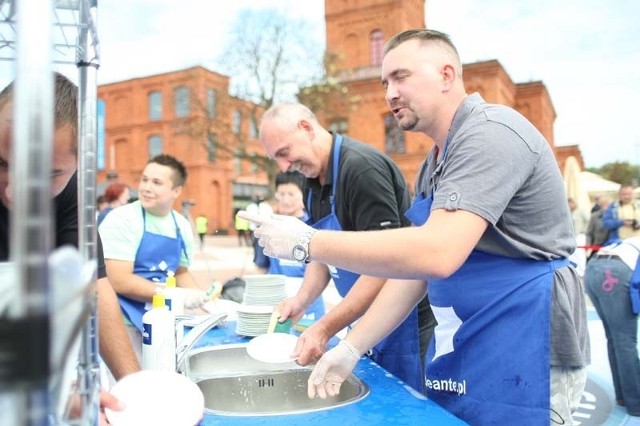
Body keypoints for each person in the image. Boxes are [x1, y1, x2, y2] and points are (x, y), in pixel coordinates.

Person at [242, 29, 590, 425]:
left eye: (401, 76)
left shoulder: (491, 132)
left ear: (446, 75)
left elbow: (437, 253)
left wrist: (308, 242)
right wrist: (352, 347)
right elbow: (413, 273)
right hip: (469, 338)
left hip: (527, 339)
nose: (389, 92)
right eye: (385, 82)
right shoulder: (434, 163)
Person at [257, 102, 428, 394]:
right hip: (360, 319)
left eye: (284, 153)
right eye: (277, 159)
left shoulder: (361, 169)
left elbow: (384, 265)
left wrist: (324, 328)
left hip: (402, 323)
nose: (284, 167)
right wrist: (300, 301)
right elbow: (319, 253)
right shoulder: (311, 180)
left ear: (307, 129)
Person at [0, 73, 139, 423]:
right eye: (2, 165)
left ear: (80, 163)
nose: (15, 192)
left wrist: (136, 391)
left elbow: (93, 285)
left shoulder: (74, 195)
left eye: (47, 175)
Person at [99, 154, 208, 359]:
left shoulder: (181, 225)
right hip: (124, 324)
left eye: (157, 182)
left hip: (165, 322)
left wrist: (203, 298)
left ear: (176, 191)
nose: (146, 187)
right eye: (144, 179)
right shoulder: (121, 219)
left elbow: (181, 271)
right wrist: (173, 293)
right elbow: (118, 279)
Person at [584, 237, 640, 416]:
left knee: (615, 337)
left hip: (593, 269)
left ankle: (623, 396)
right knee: (625, 340)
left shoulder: (632, 240)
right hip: (615, 273)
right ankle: (636, 403)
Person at [267, 171, 324, 320]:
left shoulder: (315, 227)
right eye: (281, 194)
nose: (285, 200)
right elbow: (261, 266)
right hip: (274, 298)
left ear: (303, 195)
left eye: (291, 194)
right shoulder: (269, 227)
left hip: (308, 303)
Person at [245, 195, 273, 271]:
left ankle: (261, 261)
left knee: (262, 245)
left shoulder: (266, 207)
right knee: (255, 245)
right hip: (254, 229)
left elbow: (270, 216)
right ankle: (257, 259)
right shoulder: (251, 207)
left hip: (264, 229)